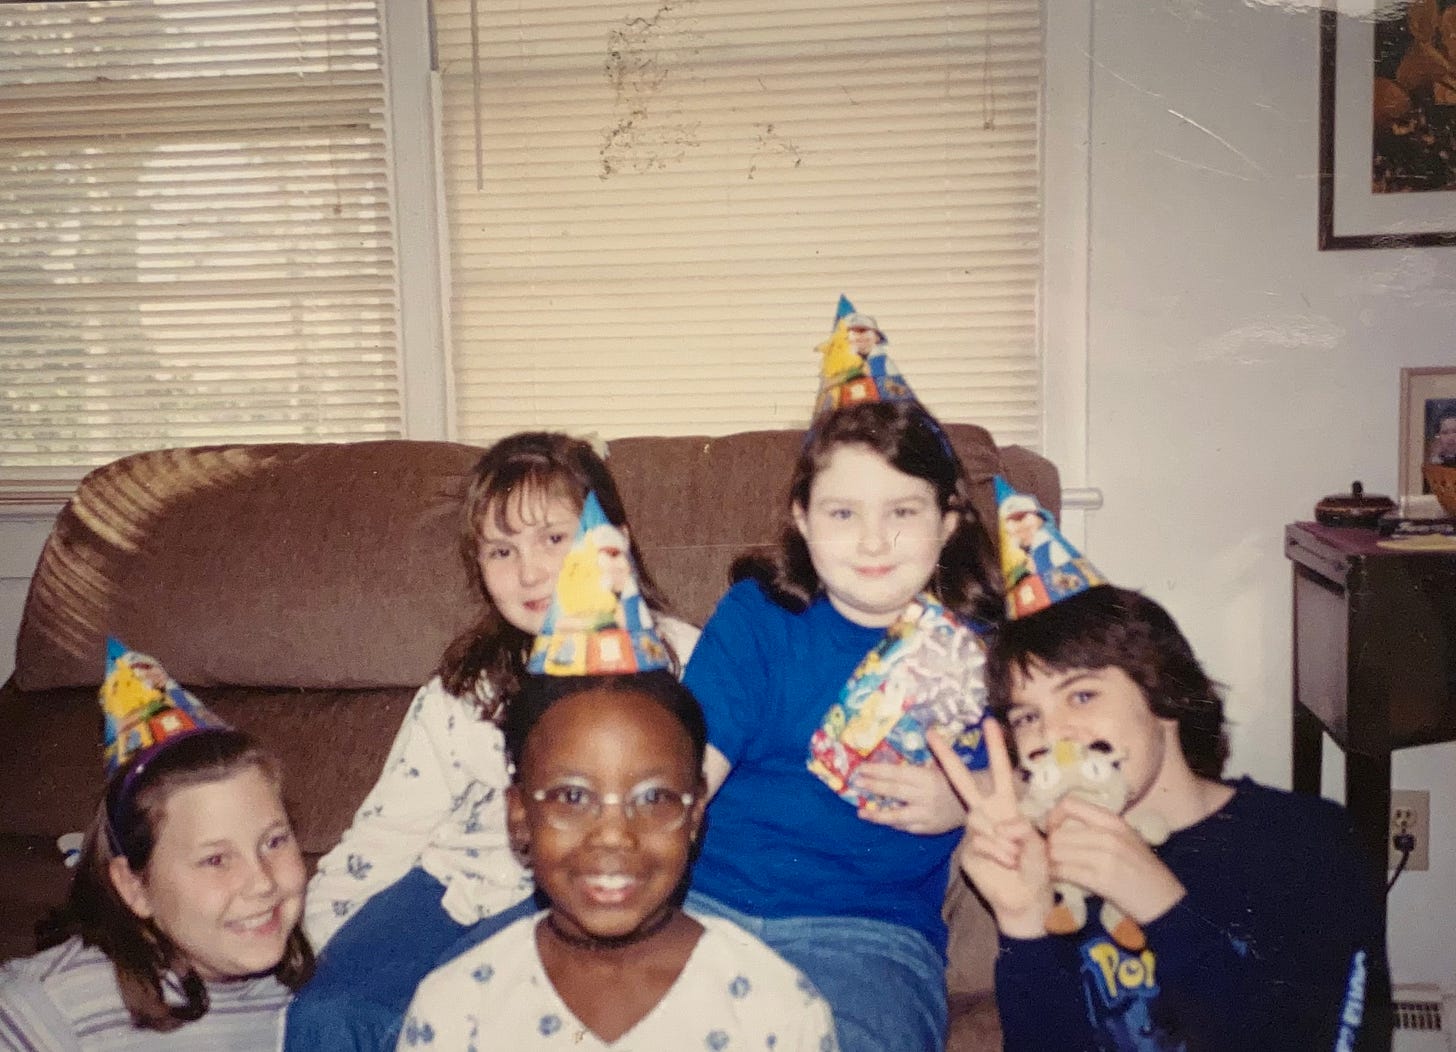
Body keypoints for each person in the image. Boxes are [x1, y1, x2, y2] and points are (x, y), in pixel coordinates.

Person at [927, 481, 1392, 1051]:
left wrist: (1160, 905)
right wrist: (1023, 924)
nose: (1050, 737)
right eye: (1026, 717)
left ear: (1164, 696)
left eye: (1081, 696)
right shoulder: (1053, 867)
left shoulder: (1306, 841)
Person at [287, 432, 700, 1050]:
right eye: (501, 551)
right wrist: (323, 938)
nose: (529, 570)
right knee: (334, 1013)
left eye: (553, 539)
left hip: (582, 891)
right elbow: (389, 828)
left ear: (614, 538)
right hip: (446, 887)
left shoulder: (685, 661)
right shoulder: (465, 690)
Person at [682, 301, 1003, 1052]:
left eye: (903, 510)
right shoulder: (757, 616)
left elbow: (1068, 778)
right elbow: (688, 771)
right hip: (706, 910)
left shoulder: (982, 650)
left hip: (869, 938)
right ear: (800, 517)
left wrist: (970, 801)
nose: (873, 541)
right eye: (842, 512)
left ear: (948, 522)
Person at [397, 671, 839, 1050]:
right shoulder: (457, 1009)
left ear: (695, 816)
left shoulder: (775, 1011)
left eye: (653, 798)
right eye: (572, 797)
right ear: (519, 817)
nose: (613, 836)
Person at [0, 641, 313, 1050]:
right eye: (215, 859)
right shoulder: (43, 1012)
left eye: (273, 841)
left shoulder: (317, 992)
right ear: (136, 888)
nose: (261, 883)